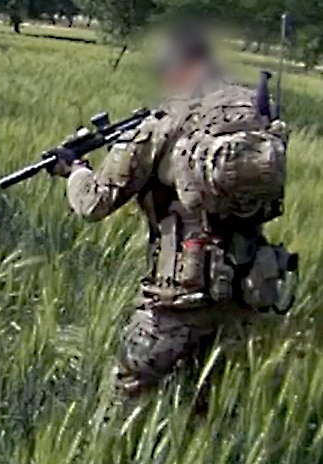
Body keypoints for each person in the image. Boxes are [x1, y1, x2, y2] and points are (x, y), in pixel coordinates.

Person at [47, 23, 297, 399]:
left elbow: (93, 203)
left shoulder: (162, 125)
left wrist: (75, 169)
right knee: (211, 408)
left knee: (124, 398)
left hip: (179, 298)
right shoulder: (259, 116)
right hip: (248, 291)